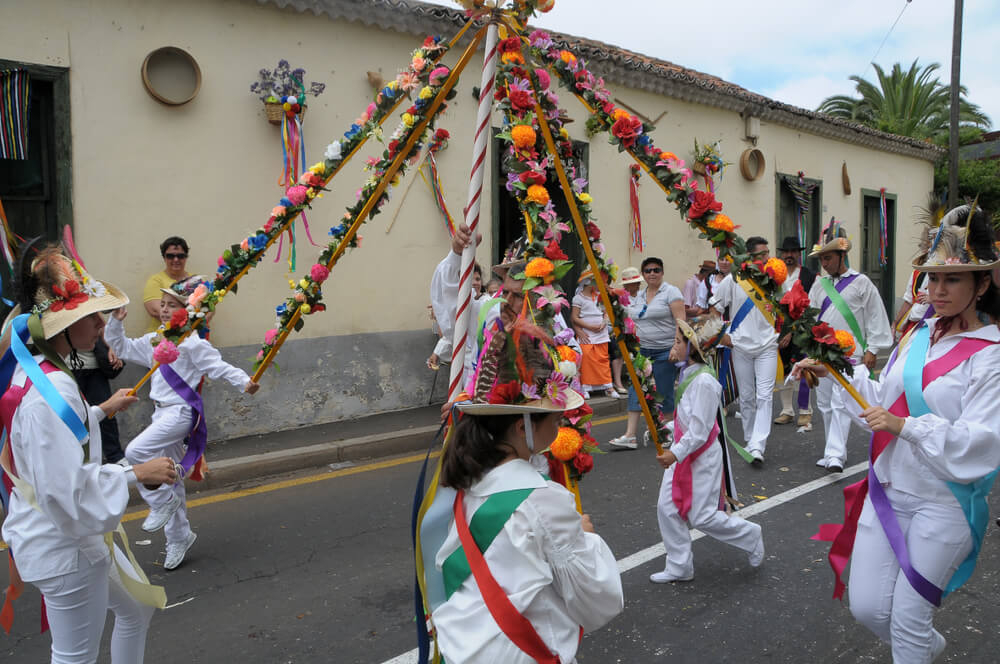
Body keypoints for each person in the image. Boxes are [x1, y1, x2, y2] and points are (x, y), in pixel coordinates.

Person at [793, 203, 1000, 662]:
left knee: (908, 619)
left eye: (953, 279)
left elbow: (982, 441)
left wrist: (905, 427)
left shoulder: (991, 355)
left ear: (982, 283)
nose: (937, 290)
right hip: (888, 490)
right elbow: (879, 399)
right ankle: (926, 650)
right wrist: (834, 372)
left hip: (944, 501)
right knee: (867, 609)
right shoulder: (918, 334)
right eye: (932, 278)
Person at [419, 296, 623, 663]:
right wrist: (588, 539)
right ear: (521, 426)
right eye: (554, 418)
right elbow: (598, 600)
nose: (561, 424)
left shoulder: (467, 480)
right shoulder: (543, 501)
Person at [1, 245, 178, 663]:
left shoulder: (40, 373)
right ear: (60, 328)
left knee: (137, 609)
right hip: (65, 543)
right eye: (89, 316)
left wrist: (101, 410)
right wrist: (137, 472)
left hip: (71, 535)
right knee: (74, 656)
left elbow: (53, 441)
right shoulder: (53, 389)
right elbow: (66, 492)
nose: (100, 324)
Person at [105, 275, 260, 571]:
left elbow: (218, 366)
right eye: (161, 304)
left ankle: (162, 501)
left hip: (180, 413)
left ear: (184, 310)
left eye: (171, 305)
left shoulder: (192, 343)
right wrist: (115, 321)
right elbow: (121, 347)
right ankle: (179, 536)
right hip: (160, 412)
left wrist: (245, 382)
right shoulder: (156, 340)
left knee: (137, 453)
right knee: (171, 475)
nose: (163, 309)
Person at [651, 317, 765, 582]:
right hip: (683, 452)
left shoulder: (704, 382)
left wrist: (674, 453)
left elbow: (700, 432)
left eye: (678, 342)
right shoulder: (687, 373)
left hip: (700, 457)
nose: (674, 346)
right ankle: (679, 566)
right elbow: (686, 422)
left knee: (701, 516)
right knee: (666, 508)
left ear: (692, 349)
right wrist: (665, 430)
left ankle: (750, 535)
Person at [808, 223, 892, 473]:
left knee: (840, 402)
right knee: (824, 403)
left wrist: (873, 349)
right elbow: (811, 317)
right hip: (822, 353)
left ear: (842, 256)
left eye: (829, 258)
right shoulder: (819, 284)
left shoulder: (862, 282)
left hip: (850, 354)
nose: (824, 263)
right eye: (822, 259)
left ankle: (836, 455)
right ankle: (831, 450)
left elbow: (876, 315)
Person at [708, 237, 778, 465]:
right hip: (740, 345)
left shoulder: (775, 279)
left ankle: (758, 445)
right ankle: (750, 440)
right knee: (746, 397)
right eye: (761, 254)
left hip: (768, 345)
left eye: (767, 253)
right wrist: (721, 335)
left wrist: (784, 331)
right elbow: (714, 308)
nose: (766, 258)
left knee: (764, 396)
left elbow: (787, 307)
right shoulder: (732, 280)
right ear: (748, 256)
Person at [609, 257, 685, 450]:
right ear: (643, 274)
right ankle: (630, 435)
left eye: (656, 270)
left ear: (662, 272)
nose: (652, 273)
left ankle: (666, 431)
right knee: (636, 388)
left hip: (664, 351)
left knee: (663, 391)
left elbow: (681, 322)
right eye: (648, 270)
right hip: (642, 351)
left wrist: (676, 347)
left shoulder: (671, 292)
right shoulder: (639, 296)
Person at [774, 236, 817, 429]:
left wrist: (792, 331)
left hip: (801, 330)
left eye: (793, 252)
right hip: (779, 330)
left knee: (802, 370)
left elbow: (810, 306)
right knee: (782, 372)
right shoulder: (775, 276)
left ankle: (805, 412)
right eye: (786, 252)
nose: (789, 255)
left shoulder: (808, 276)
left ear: (799, 254)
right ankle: (786, 411)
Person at [70, 334, 127, 463]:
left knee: (107, 415)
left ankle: (116, 457)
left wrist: (111, 346)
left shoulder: (94, 322)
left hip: (94, 366)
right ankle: (79, 460)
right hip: (66, 368)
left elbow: (101, 326)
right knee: (73, 417)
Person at [571, 269, 613, 398]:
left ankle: (608, 386)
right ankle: (586, 387)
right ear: (588, 282)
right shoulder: (578, 298)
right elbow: (574, 317)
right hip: (587, 334)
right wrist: (588, 327)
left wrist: (604, 322)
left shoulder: (600, 296)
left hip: (601, 333)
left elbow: (606, 312)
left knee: (603, 359)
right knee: (586, 358)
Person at [142, 237, 190, 334]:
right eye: (170, 256)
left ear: (186, 257)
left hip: (190, 340)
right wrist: (194, 317)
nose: (176, 259)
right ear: (164, 257)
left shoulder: (195, 280)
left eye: (180, 256)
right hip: (160, 340)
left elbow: (209, 310)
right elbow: (156, 311)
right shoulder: (155, 281)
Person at [609, 266, 643, 397]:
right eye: (636, 283)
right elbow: (620, 316)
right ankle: (618, 382)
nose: (639, 285)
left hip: (639, 331)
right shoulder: (619, 297)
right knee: (618, 348)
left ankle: (642, 378)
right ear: (629, 285)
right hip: (621, 331)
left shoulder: (641, 296)